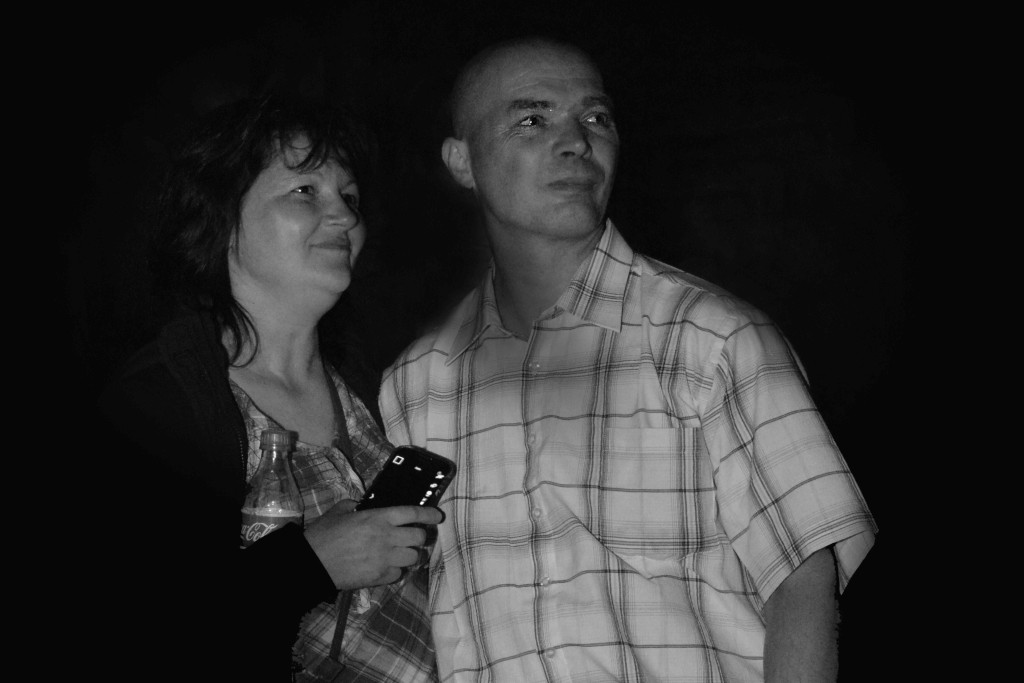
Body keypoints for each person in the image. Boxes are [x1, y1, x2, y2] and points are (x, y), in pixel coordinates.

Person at [378, 37, 877, 682]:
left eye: (596, 118)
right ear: (462, 161)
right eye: (532, 120)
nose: (575, 142)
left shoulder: (710, 337)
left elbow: (804, 578)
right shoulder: (417, 384)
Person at [97, 95, 442, 682]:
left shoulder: (380, 389)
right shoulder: (158, 404)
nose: (344, 217)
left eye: (350, 197)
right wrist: (309, 566)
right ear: (222, 219)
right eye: (305, 191)